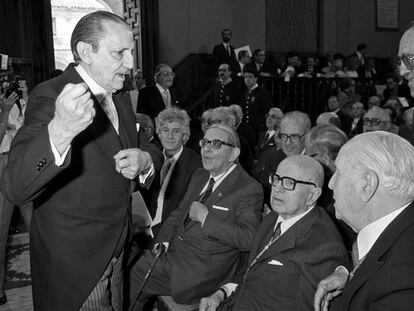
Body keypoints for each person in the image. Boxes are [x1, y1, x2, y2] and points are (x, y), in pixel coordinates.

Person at [0, 11, 161, 310]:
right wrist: (59, 132)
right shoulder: (50, 95)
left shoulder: (121, 94)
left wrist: (144, 160)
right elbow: (15, 186)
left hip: (117, 249)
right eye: (119, 53)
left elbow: (150, 147)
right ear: (86, 51)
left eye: (131, 51)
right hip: (77, 267)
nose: (130, 63)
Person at [127, 124, 263, 310]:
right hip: (174, 254)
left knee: (133, 269)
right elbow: (177, 214)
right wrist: (163, 240)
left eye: (215, 143)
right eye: (204, 142)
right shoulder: (200, 175)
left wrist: (207, 219)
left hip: (202, 271)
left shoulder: (248, 188)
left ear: (233, 154)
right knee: (130, 258)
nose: (206, 148)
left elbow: (249, 239)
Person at [200, 155, 349, 311]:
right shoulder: (274, 217)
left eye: (289, 183)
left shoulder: (323, 246)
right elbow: (254, 267)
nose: (277, 188)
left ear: (312, 195)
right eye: (276, 178)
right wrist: (222, 293)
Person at [314, 131, 414, 311]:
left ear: (367, 184)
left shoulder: (402, 281)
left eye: (339, 172)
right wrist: (352, 277)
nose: (330, 183)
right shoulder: (400, 230)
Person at [145, 108, 202, 236]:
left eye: (176, 131)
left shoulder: (197, 166)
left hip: (171, 236)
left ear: (185, 135)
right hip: (141, 229)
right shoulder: (150, 157)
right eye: (165, 130)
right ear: (159, 133)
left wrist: (153, 232)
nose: (170, 136)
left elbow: (186, 211)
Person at [0, 89, 33, 305]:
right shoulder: (5, 105)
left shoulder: (20, 100)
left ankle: (51, 277)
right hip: (2, 164)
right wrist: (4, 114)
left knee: (38, 227)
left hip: (22, 163)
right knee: (0, 233)